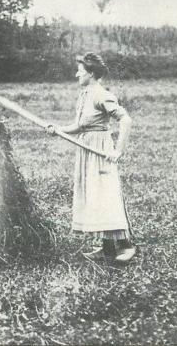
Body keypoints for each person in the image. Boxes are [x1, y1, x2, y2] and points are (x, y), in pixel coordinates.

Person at [46, 52, 136, 264]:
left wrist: (117, 150)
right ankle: (107, 248)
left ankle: (126, 246)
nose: (77, 74)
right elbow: (80, 126)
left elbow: (125, 119)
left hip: (100, 149)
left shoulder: (100, 94)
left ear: (92, 73)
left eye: (80, 70)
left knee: (107, 194)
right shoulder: (85, 94)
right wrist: (58, 129)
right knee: (95, 195)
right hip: (87, 148)